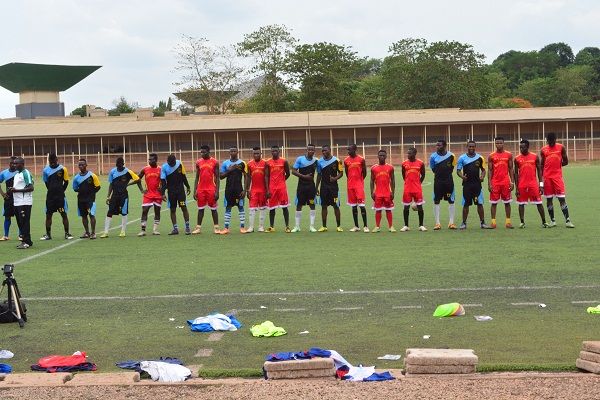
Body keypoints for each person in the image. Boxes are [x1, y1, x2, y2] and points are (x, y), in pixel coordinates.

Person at [540, 132, 574, 228]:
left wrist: (558, 166)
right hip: (547, 178)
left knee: (561, 198)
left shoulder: (561, 147)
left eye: (553, 141)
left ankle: (567, 220)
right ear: (547, 141)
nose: (551, 143)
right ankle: (552, 220)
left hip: (557, 178)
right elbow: (542, 165)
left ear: (555, 140)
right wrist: (542, 180)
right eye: (549, 141)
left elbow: (566, 161)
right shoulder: (543, 150)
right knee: (549, 199)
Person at [100, 157, 140, 238]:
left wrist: (129, 184)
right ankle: (106, 232)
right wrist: (108, 196)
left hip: (124, 195)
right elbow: (111, 184)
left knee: (124, 213)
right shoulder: (112, 171)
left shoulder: (128, 172)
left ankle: (123, 231)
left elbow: (138, 179)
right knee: (109, 212)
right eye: (117, 165)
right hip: (114, 196)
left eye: (120, 165)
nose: (118, 166)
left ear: (123, 164)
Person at [514, 139, 549, 228]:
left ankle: (544, 222)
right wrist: (517, 188)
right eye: (520, 147)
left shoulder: (535, 157)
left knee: (539, 203)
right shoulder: (517, 158)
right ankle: (522, 222)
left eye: (523, 147)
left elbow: (539, 172)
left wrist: (541, 185)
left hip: (533, 185)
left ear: (528, 147)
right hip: (522, 185)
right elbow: (515, 174)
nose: (521, 149)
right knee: (521, 204)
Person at [456, 141, 490, 230]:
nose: (471, 148)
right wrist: (462, 176)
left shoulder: (480, 158)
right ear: (467, 146)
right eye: (469, 146)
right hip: (467, 185)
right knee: (466, 204)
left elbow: (483, 170)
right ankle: (463, 223)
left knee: (479, 203)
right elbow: (458, 170)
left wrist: (482, 176)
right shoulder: (462, 158)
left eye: (473, 146)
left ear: (475, 147)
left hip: (477, 185)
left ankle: (482, 223)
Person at [40, 153, 73, 240]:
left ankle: (67, 234)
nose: (52, 163)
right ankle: (48, 234)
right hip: (50, 197)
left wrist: (61, 191)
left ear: (57, 159)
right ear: (49, 161)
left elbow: (66, 181)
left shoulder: (63, 169)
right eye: (51, 161)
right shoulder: (45, 170)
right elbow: (46, 183)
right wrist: (51, 190)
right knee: (48, 215)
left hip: (60, 198)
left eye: (53, 161)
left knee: (63, 214)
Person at [219, 146, 248, 235]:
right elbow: (221, 176)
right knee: (228, 207)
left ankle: (242, 227)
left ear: (237, 152)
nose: (233, 153)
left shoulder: (242, 163)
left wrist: (245, 190)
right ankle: (226, 228)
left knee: (241, 207)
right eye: (231, 151)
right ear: (229, 153)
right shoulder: (225, 163)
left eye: (234, 151)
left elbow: (246, 176)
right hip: (229, 190)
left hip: (239, 189)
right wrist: (229, 170)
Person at [192, 145, 220, 234]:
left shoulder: (215, 162)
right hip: (201, 189)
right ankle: (198, 228)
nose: (202, 154)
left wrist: (217, 191)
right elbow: (197, 177)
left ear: (208, 152)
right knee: (200, 209)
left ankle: (216, 228)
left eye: (204, 152)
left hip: (211, 189)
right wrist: (195, 190)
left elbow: (218, 177)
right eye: (201, 152)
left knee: (213, 209)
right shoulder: (198, 162)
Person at [161, 154, 191, 235]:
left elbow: (183, 176)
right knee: (172, 209)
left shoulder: (179, 164)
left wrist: (188, 187)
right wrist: (162, 193)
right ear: (167, 162)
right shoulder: (164, 167)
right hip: (171, 193)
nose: (172, 164)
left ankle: (187, 227)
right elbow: (163, 182)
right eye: (170, 163)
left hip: (180, 191)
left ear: (175, 160)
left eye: (173, 162)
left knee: (183, 207)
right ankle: (175, 229)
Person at [429, 140, 457, 230]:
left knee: (451, 201)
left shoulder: (451, 156)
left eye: (439, 145)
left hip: (449, 182)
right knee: (436, 201)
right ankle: (437, 223)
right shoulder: (433, 156)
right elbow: (433, 168)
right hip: (438, 182)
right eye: (436, 145)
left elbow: (452, 168)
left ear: (444, 146)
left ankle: (451, 223)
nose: (437, 147)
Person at [488, 137, 514, 229]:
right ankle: (493, 222)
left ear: (503, 143)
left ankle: (508, 222)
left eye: (500, 143)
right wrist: (489, 184)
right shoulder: (491, 155)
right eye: (497, 143)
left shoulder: (509, 155)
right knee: (493, 203)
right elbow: (490, 170)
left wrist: (512, 182)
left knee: (507, 202)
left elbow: (511, 169)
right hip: (495, 182)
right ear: (495, 144)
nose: (498, 145)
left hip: (505, 182)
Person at [316, 145, 343, 232]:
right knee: (324, 206)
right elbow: (319, 175)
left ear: (330, 150)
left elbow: (341, 173)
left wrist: (335, 178)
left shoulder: (337, 160)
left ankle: (338, 226)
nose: (324, 152)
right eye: (322, 151)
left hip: (334, 188)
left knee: (336, 206)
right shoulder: (319, 161)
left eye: (325, 150)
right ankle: (324, 226)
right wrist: (316, 187)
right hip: (324, 187)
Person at [291, 144, 317, 232]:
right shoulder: (300, 159)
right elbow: (293, 171)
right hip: (301, 187)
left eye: (312, 150)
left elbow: (320, 173)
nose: (311, 151)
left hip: (311, 187)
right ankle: (297, 226)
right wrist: (303, 176)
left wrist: (317, 187)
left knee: (312, 204)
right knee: (299, 205)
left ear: (314, 151)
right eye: (309, 149)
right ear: (307, 150)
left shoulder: (316, 161)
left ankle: (312, 226)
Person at [72, 158, 101, 239]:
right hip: (81, 200)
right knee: (83, 216)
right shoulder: (76, 177)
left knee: (91, 215)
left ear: (86, 165)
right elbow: (75, 188)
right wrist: (82, 191)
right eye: (79, 165)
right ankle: (87, 232)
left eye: (82, 164)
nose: (81, 166)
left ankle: (93, 233)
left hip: (90, 200)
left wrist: (91, 193)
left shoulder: (92, 175)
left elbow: (98, 187)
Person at [134, 153, 162, 236]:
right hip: (148, 194)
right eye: (149, 159)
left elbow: (165, 181)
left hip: (158, 194)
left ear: (156, 160)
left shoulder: (161, 169)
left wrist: (163, 190)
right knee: (145, 210)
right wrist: (142, 190)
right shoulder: (145, 169)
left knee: (157, 211)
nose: (149, 161)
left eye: (151, 159)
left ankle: (155, 230)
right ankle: (143, 230)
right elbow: (137, 179)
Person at [9, 157, 34, 249]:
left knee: (24, 222)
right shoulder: (17, 174)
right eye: (14, 163)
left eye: (16, 164)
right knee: (20, 223)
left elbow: (31, 187)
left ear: (22, 164)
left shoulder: (25, 173)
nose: (14, 165)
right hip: (17, 202)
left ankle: (26, 242)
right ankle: (27, 240)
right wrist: (12, 189)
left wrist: (16, 190)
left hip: (24, 202)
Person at [265, 145, 291, 233]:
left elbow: (288, 173)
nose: (274, 152)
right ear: (271, 152)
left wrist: (282, 181)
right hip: (272, 188)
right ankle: (271, 227)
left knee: (284, 207)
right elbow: (267, 176)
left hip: (281, 188)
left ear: (279, 151)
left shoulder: (284, 161)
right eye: (273, 151)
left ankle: (287, 226)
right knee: (272, 208)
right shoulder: (268, 162)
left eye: (276, 151)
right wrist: (268, 189)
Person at [344, 144, 369, 232]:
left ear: (355, 150)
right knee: (353, 206)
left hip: (359, 186)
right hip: (350, 186)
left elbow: (364, 173)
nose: (348, 151)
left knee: (362, 206)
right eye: (348, 150)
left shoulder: (361, 159)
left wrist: (359, 181)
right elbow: (347, 173)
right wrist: (351, 180)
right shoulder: (346, 160)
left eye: (349, 150)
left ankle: (365, 226)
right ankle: (356, 226)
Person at [401, 147, 427, 232]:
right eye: (407, 153)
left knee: (420, 206)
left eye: (410, 153)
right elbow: (403, 175)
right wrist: (408, 182)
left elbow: (423, 174)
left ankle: (421, 225)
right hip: (407, 188)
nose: (408, 155)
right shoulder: (404, 163)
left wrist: (418, 183)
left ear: (414, 154)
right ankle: (406, 226)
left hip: (417, 189)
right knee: (406, 207)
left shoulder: (420, 163)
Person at [370, 149, 395, 232]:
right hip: (378, 193)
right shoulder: (374, 168)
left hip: (388, 192)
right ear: (377, 156)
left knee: (388, 210)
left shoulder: (390, 167)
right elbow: (371, 181)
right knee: (378, 210)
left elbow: (393, 180)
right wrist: (372, 192)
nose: (382, 157)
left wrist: (393, 192)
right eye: (380, 155)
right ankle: (377, 226)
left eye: (383, 155)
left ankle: (391, 226)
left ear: (386, 156)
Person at [245, 147, 268, 233]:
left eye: (258, 153)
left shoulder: (265, 163)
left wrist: (267, 190)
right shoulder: (249, 164)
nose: (256, 155)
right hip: (253, 190)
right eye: (254, 153)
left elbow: (266, 176)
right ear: (252, 154)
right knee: (252, 208)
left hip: (263, 190)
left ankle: (261, 227)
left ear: (261, 154)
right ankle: (251, 227)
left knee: (262, 208)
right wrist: (247, 190)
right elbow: (248, 177)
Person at [0, 157, 18, 241]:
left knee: (19, 217)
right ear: (9, 163)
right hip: (8, 199)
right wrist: (3, 194)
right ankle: (6, 235)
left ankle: (20, 235)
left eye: (15, 163)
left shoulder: (20, 172)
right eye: (12, 163)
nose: (13, 165)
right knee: (7, 217)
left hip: (18, 198)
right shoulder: (4, 173)